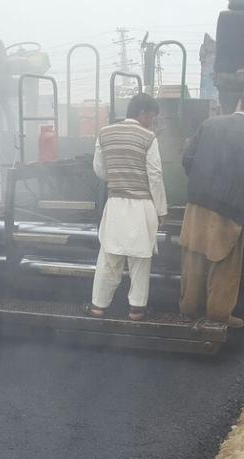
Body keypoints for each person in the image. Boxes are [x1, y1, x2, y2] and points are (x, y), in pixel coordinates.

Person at [179, 84, 244, 328]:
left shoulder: (210, 124)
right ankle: (218, 314)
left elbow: (187, 158)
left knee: (194, 254)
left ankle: (188, 308)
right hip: (229, 209)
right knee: (224, 263)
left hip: (197, 203)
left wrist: (201, 181)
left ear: (240, 101)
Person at [86, 93, 167, 321]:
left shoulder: (104, 133)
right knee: (140, 261)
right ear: (142, 113)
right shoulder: (148, 138)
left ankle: (98, 306)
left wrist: (118, 178)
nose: (152, 121)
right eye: (152, 116)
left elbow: (100, 170)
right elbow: (155, 176)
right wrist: (161, 210)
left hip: (115, 205)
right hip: (142, 208)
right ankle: (136, 310)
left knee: (109, 257)